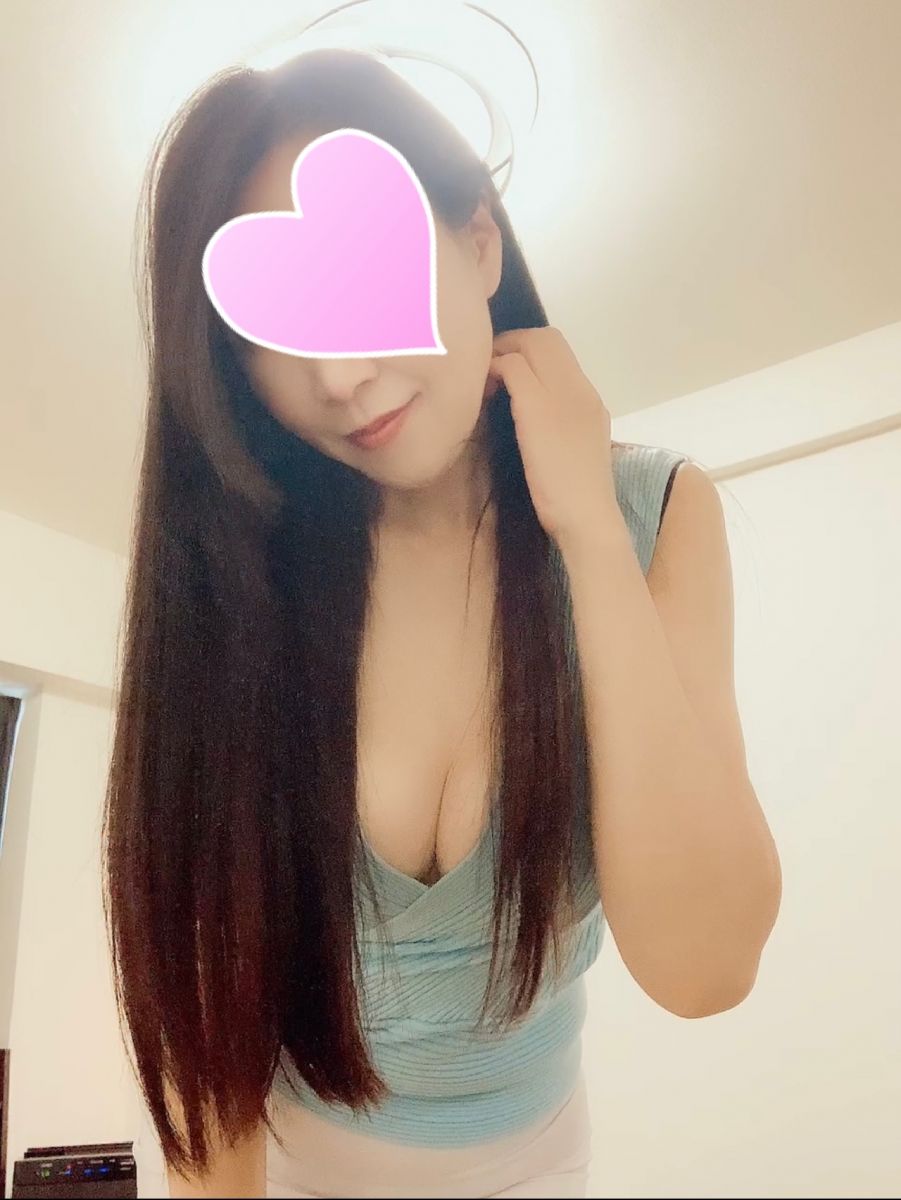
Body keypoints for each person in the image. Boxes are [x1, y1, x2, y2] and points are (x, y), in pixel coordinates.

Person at [102, 47, 764, 1200]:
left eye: (365, 272)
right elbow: (206, 1012)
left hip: (537, 1159)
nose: (340, 375)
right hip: (296, 1166)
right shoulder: (240, 584)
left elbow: (705, 969)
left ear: (478, 243)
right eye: (275, 325)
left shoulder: (653, 514)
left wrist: (585, 533)